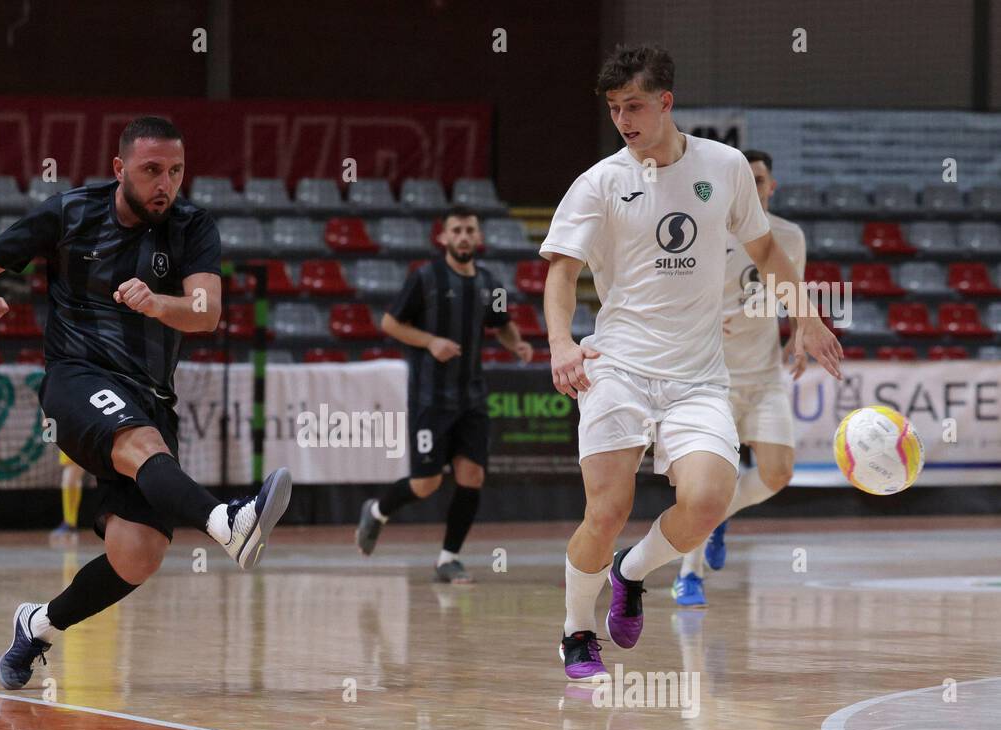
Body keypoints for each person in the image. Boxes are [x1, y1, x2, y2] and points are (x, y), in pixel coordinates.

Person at [0, 116, 292, 690]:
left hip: (151, 394)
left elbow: (206, 312)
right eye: (152, 170)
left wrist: (158, 303)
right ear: (120, 169)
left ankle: (36, 625)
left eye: (176, 171)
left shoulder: (192, 227)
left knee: (136, 555)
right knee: (141, 446)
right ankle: (226, 521)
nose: (166, 183)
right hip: (76, 378)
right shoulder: (70, 212)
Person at [540, 45, 841, 680]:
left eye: (635, 106)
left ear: (666, 103)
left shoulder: (725, 167)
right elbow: (561, 273)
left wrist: (806, 314)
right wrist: (562, 344)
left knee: (709, 498)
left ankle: (631, 571)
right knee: (607, 510)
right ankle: (576, 630)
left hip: (698, 374)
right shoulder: (598, 182)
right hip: (617, 364)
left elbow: (764, 248)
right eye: (616, 108)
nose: (623, 119)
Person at [355, 205, 532, 583]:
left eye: (470, 229)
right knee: (426, 483)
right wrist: (431, 341)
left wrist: (517, 345)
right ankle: (377, 511)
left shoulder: (491, 283)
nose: (464, 236)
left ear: (479, 237)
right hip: (431, 399)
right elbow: (389, 322)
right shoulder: (425, 278)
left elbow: (502, 323)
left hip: (472, 398)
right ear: (444, 237)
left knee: (472, 476)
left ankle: (448, 558)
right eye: (457, 230)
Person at [671, 149, 808, 606]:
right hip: (714, 379)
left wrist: (800, 334)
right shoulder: (708, 234)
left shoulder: (790, 236)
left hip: (765, 374)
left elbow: (792, 292)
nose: (753, 185)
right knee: (703, 485)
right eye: (744, 179)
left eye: (760, 179)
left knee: (778, 472)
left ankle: (720, 515)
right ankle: (689, 575)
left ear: (772, 186)